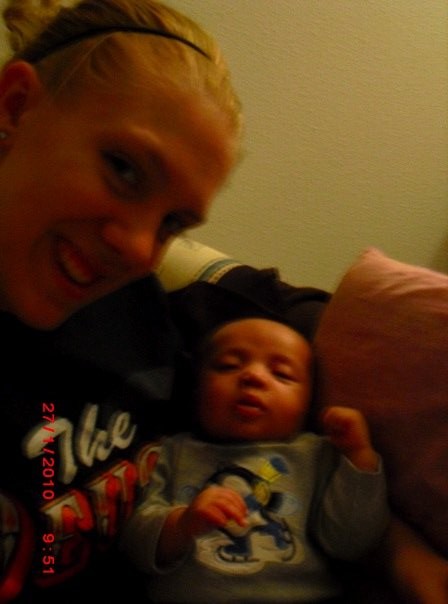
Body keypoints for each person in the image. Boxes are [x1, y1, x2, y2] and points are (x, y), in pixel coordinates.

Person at [0, 0, 446, 601]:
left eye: (173, 223)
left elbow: (300, 317)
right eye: (124, 169)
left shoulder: (146, 311)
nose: (138, 248)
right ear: (14, 106)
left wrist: (400, 549)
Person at [120, 317, 390, 603]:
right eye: (228, 366)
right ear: (197, 388)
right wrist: (182, 524)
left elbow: (351, 542)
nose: (253, 376)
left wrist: (359, 457)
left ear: (307, 402)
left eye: (281, 373)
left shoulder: (316, 455)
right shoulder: (174, 451)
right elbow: (134, 544)